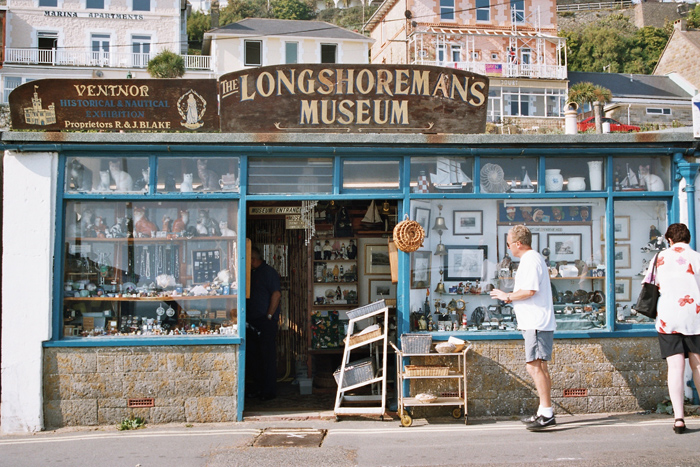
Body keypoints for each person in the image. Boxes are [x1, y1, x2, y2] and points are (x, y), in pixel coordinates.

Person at [490, 225, 557, 431]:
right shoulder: (533, 259)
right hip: (536, 321)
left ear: (518, 243)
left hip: (535, 322)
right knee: (540, 367)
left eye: (509, 244)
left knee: (533, 366)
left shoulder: (530, 260)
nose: (508, 248)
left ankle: (546, 413)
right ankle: (543, 411)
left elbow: (529, 290)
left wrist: (506, 296)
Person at [646, 223, 700, 434]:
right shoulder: (697, 257)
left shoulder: (659, 258)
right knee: (697, 366)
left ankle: (679, 418)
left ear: (669, 239)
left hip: (668, 317)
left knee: (675, 368)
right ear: (687, 238)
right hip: (695, 317)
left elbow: (651, 284)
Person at [246, 246, 282, 401]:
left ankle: (268, 392)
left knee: (267, 357)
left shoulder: (269, 272)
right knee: (255, 357)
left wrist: (269, 315)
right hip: (252, 321)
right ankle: (258, 389)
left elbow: (277, 294)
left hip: (265, 321)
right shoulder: (253, 274)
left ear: (253, 259)